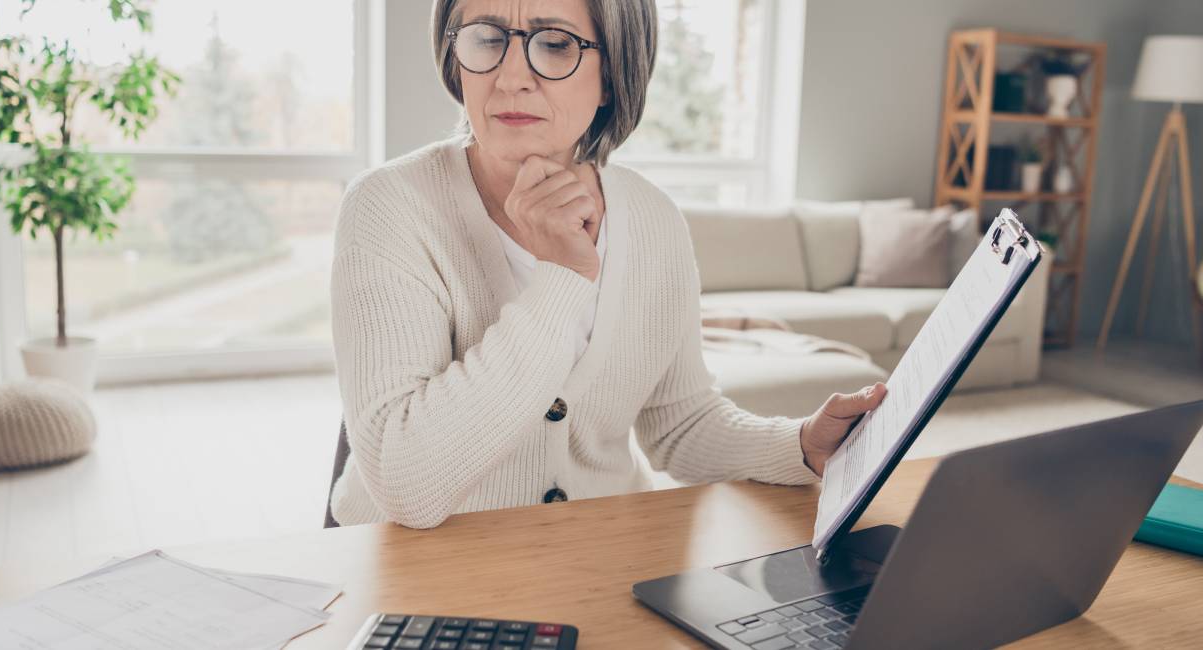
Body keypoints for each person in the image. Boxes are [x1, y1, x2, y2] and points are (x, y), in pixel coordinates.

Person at [328, 0, 886, 528]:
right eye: (488, 38)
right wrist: (562, 279)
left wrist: (799, 445)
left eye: (554, 44)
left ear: (613, 75)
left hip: (600, 555)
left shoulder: (652, 216)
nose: (511, 77)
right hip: (418, 573)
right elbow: (406, 484)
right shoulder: (389, 206)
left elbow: (680, 422)